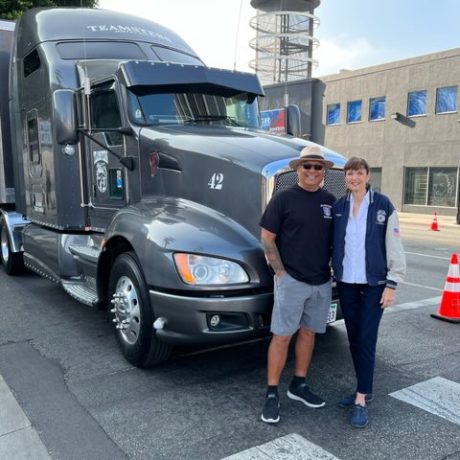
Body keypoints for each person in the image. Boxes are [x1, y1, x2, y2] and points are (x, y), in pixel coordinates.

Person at [259, 145, 335, 424]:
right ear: (298, 169)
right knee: (281, 336)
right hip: (291, 279)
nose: (312, 171)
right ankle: (271, 394)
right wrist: (281, 273)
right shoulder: (283, 199)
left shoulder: (330, 201)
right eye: (307, 166)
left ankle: (298, 385)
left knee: (309, 333)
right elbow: (267, 238)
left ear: (323, 170)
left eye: (317, 166)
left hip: (321, 282)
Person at [332, 157, 406, 428]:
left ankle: (361, 398)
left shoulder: (382, 205)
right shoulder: (339, 206)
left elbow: (394, 245)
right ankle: (365, 386)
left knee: (365, 337)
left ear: (368, 175)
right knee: (353, 339)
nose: (354, 178)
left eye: (359, 173)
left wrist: (392, 283)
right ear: (346, 177)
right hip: (347, 283)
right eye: (350, 173)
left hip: (374, 284)